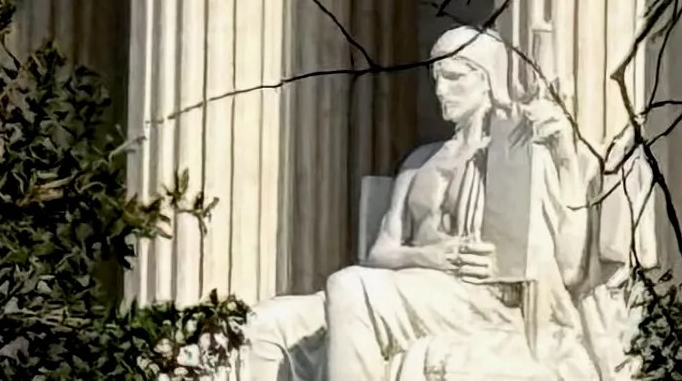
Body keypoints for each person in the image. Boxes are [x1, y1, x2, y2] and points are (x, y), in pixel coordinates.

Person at [255, 29, 602, 381]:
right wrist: (431, 256)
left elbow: (568, 269)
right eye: (436, 78)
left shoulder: (516, 156)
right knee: (269, 321)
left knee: (349, 287)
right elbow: (380, 252)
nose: (440, 91)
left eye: (453, 77)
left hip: (480, 303)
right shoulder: (420, 161)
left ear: (486, 79)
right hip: (411, 292)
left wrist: (565, 158)